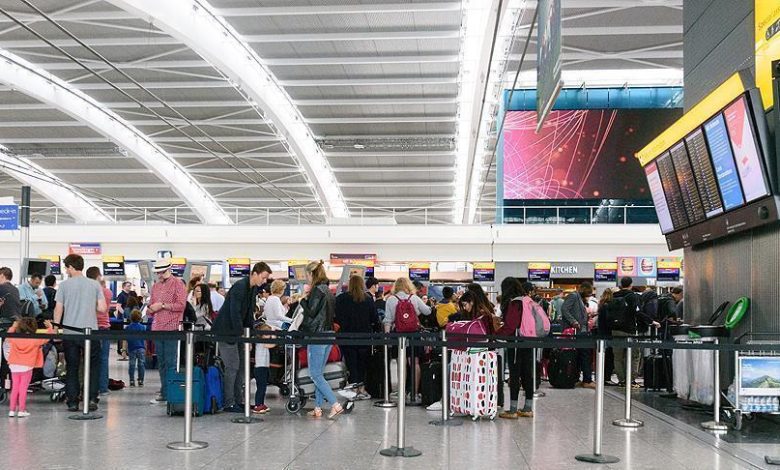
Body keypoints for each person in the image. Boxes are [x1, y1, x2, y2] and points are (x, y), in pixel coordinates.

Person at [212, 262, 272, 412]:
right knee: (232, 366)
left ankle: (238, 401)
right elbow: (234, 312)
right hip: (226, 331)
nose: (264, 281)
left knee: (241, 368)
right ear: (255, 274)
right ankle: (229, 402)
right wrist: (242, 334)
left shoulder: (252, 289)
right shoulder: (240, 286)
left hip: (238, 333)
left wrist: (248, 335)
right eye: (263, 277)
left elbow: (248, 314)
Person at [54, 254, 106, 412]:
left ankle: (72, 401)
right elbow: (103, 308)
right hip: (90, 332)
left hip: (70, 332)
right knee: (93, 366)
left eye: (66, 268)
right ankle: (91, 399)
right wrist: (89, 306)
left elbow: (58, 309)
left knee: (72, 367)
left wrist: (56, 329)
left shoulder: (64, 285)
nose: (66, 271)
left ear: (70, 267)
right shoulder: (94, 284)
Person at [299, 260, 344, 419]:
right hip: (329, 334)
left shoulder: (317, 290)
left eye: (307, 275)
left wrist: (302, 300)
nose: (307, 278)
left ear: (311, 274)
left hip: (317, 335)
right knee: (319, 373)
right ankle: (317, 408)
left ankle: (335, 404)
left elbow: (311, 312)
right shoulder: (328, 291)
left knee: (315, 374)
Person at [383, 277, 432, 401]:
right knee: (414, 363)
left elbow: (387, 320)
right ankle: (414, 393)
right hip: (414, 334)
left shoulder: (391, 299)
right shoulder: (414, 298)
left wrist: (388, 338)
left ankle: (402, 392)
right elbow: (427, 312)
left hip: (398, 334)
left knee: (401, 363)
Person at [147, 259, 188, 405]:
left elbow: (181, 305)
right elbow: (151, 306)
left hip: (171, 328)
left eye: (162, 272)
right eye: (158, 272)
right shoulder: (155, 286)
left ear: (169, 270)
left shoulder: (178, 284)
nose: (159, 275)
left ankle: (170, 393)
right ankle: (164, 392)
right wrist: (151, 309)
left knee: (171, 362)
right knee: (162, 362)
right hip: (157, 327)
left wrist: (163, 305)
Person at [335, 275, 380, 400]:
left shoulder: (341, 298)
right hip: (364, 337)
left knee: (351, 363)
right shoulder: (368, 299)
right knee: (362, 364)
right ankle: (362, 388)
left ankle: (353, 387)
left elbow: (336, 317)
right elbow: (374, 318)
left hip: (346, 337)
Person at [611, 277, 660, 388]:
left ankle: (621, 380)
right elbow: (637, 312)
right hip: (629, 330)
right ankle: (631, 380)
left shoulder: (614, 296)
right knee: (634, 356)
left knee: (618, 357)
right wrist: (651, 321)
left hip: (615, 330)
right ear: (631, 284)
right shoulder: (632, 296)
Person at [496, 278, 534, 418]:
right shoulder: (527, 300)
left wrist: (495, 334)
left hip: (516, 342)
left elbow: (510, 326)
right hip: (529, 340)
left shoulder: (514, 303)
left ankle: (512, 410)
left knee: (515, 374)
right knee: (527, 374)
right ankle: (528, 408)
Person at [6, 317, 53, 417]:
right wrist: (50, 328)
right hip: (27, 366)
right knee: (23, 388)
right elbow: (47, 338)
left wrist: (13, 326)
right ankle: (21, 410)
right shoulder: (35, 339)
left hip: (14, 364)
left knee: (15, 388)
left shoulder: (14, 338)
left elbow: (8, 335)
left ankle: (11, 410)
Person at [561, 281, 596, 389]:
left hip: (581, 331)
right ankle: (587, 380)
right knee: (585, 355)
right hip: (578, 332)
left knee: (580, 356)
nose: (589, 295)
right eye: (589, 293)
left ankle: (579, 378)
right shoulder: (573, 296)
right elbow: (564, 309)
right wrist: (574, 321)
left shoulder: (579, 298)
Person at [86, 267, 113, 396]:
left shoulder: (87, 291)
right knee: (104, 358)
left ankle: (91, 387)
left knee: (90, 358)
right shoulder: (107, 292)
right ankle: (103, 388)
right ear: (98, 276)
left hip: (90, 327)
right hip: (104, 327)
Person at [252, 323, 275, 414]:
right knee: (261, 388)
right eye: (268, 334)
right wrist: (274, 336)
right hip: (260, 368)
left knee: (263, 387)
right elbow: (271, 345)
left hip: (264, 367)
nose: (269, 336)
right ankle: (257, 405)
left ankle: (261, 403)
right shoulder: (261, 342)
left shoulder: (263, 341)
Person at [596, 288, 616, 385]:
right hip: (607, 334)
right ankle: (606, 377)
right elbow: (608, 321)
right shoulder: (608, 306)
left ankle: (602, 377)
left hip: (601, 333)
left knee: (603, 357)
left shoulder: (601, 305)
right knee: (609, 357)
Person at [125, 309, 146, 387]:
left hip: (132, 348)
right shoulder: (143, 327)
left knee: (132, 364)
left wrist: (124, 349)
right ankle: (141, 380)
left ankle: (131, 380)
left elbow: (125, 339)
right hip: (141, 347)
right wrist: (145, 348)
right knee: (141, 364)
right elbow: (145, 339)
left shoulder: (128, 327)